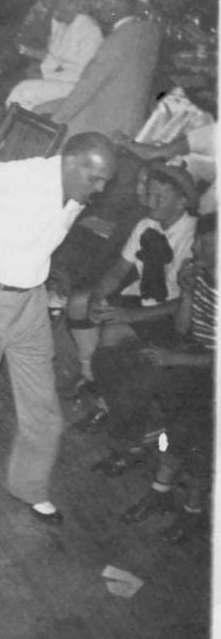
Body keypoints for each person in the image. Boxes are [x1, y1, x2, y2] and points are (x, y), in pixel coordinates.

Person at [0, 132, 119, 525]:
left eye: (105, 180)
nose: (100, 189)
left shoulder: (76, 191)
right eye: (95, 178)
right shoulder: (28, 177)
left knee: (43, 402)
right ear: (70, 161)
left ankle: (30, 487)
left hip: (29, 300)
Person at [67, 163, 198, 417]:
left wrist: (131, 316)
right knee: (78, 303)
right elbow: (118, 270)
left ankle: (106, 405)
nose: (150, 202)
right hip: (142, 296)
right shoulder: (146, 224)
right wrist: (96, 298)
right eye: (149, 194)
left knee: (113, 333)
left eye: (159, 197)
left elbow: (184, 301)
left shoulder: (193, 237)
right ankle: (90, 376)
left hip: (171, 312)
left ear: (181, 202)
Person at [116, 213, 215, 541]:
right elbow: (183, 329)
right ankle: (158, 489)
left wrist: (176, 357)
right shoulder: (201, 275)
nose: (199, 246)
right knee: (168, 411)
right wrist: (187, 292)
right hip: (197, 361)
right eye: (200, 239)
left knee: (196, 434)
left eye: (209, 241)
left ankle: (193, 513)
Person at [35, 0, 160, 139]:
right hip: (130, 119)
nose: (99, 6)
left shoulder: (115, 42)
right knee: (42, 108)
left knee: (36, 119)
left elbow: (86, 89)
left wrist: (54, 121)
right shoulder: (147, 32)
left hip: (103, 123)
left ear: (122, 2)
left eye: (106, 0)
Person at [6, 0, 102, 109]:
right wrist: (40, 71)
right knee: (16, 81)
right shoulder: (59, 23)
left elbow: (80, 73)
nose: (49, 10)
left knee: (23, 91)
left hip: (74, 86)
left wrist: (45, 76)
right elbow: (52, 57)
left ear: (71, 3)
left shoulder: (90, 30)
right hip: (55, 79)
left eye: (54, 4)